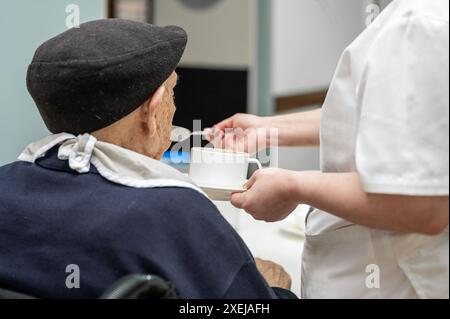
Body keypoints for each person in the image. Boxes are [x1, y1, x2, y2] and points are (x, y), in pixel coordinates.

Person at [0, 19, 293, 299]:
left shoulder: (5, 185)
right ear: (152, 112)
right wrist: (276, 288)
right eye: (172, 92)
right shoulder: (174, 212)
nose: (174, 107)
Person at [214, 0, 449, 298]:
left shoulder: (419, 21)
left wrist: (293, 186)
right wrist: (266, 129)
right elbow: (381, 119)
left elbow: (420, 205)